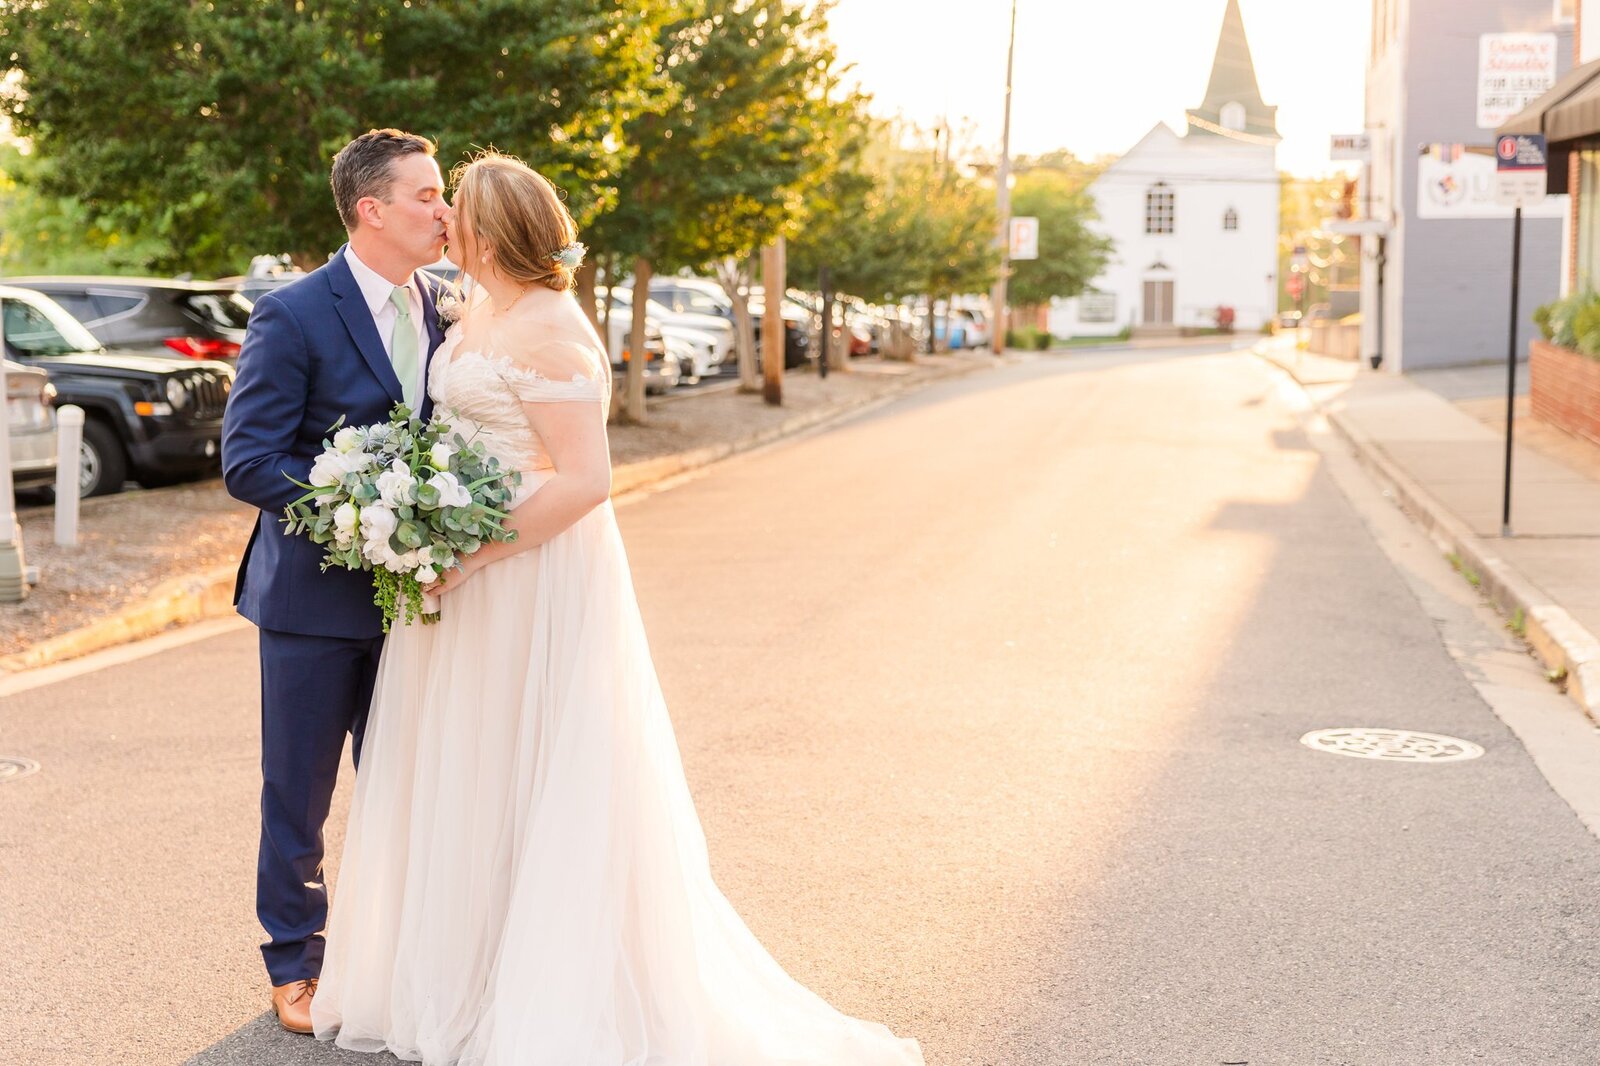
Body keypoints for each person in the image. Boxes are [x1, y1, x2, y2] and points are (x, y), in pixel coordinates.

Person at [309, 150, 924, 1065]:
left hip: (531, 570)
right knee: (471, 766)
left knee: (538, 764)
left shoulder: (556, 327)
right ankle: (462, 968)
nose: (445, 224)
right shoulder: (474, 307)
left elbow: (588, 481)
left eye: (458, 212)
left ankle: (546, 986)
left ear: (493, 230)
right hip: (464, 575)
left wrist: (470, 556)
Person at [220, 128, 451, 1035]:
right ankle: (295, 963)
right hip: (311, 603)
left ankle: (397, 954)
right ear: (373, 209)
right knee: (299, 792)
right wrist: (355, 506)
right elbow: (249, 462)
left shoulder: (449, 304)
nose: (445, 210)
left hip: (421, 603)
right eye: (428, 194)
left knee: (411, 784)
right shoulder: (294, 312)